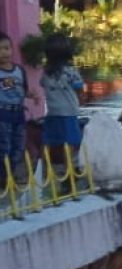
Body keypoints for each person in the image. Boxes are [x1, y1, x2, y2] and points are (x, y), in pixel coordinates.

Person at [40, 33, 85, 160]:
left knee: (49, 139)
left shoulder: (46, 72)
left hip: (52, 111)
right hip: (69, 112)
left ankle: (43, 165)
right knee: (70, 140)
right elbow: (79, 89)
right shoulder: (71, 72)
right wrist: (81, 100)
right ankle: (68, 165)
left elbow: (42, 84)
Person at [0, 31, 38, 180]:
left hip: (18, 115)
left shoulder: (19, 71)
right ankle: (3, 177)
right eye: (0, 49)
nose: (4, 52)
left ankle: (11, 174)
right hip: (3, 115)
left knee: (18, 147)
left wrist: (33, 96)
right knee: (4, 147)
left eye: (7, 48)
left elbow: (24, 90)